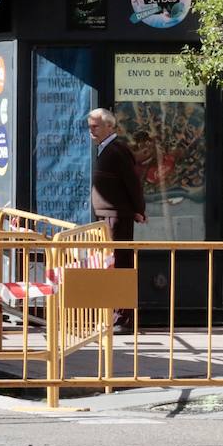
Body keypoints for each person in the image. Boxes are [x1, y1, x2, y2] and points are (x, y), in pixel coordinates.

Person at [87, 107, 145, 333]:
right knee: (111, 264)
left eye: (96, 126)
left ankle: (122, 316)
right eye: (90, 126)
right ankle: (113, 314)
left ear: (110, 126)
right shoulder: (105, 149)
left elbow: (132, 183)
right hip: (107, 215)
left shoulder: (117, 151)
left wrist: (139, 209)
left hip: (116, 216)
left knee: (120, 263)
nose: (91, 130)